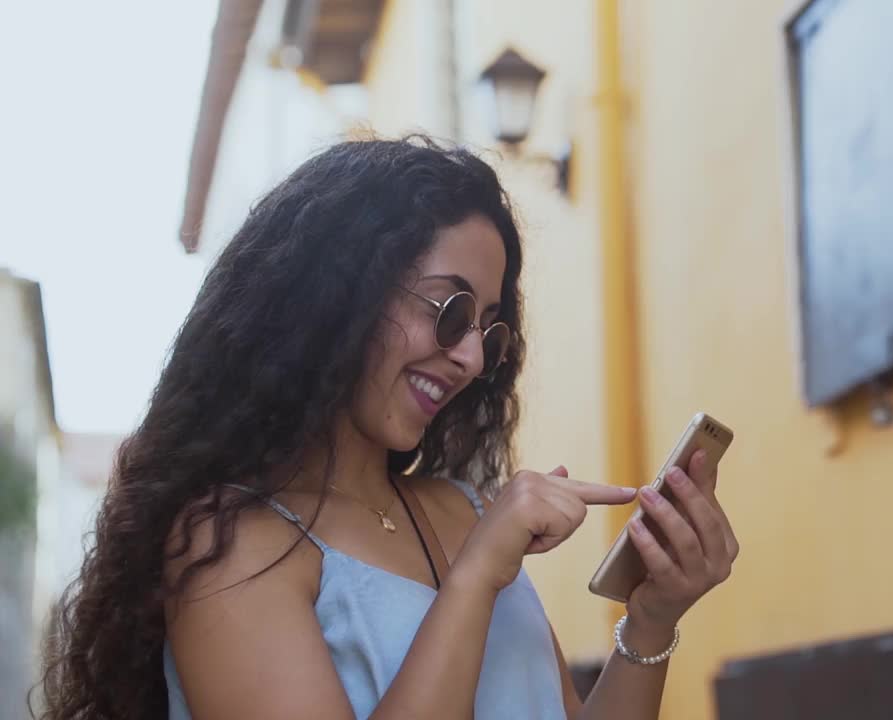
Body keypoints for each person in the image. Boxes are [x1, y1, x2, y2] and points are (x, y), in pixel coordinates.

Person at [37, 135, 738, 720]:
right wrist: (473, 580)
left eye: (489, 332)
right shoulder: (228, 544)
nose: (469, 357)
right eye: (450, 310)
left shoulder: (464, 510)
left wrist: (650, 619)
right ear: (338, 293)